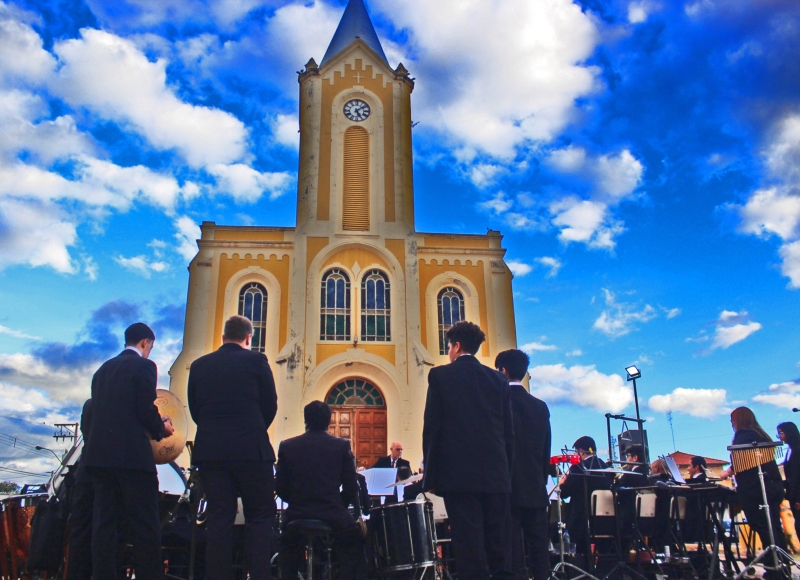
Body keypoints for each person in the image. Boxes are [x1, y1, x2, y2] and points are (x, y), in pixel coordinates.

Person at [188, 315, 278, 580]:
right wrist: (252, 427)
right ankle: (259, 575)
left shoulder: (200, 365)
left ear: (223, 337)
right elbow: (270, 405)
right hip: (252, 451)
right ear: (249, 338)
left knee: (219, 517)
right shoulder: (256, 360)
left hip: (212, 452)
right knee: (260, 515)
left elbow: (195, 410)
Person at [423, 321, 514, 580]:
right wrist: (506, 474)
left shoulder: (440, 376)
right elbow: (509, 433)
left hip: (458, 477)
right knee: (497, 546)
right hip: (496, 476)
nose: (448, 352)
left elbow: (433, 428)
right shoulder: (498, 378)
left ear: (457, 345)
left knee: (468, 545)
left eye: (449, 346)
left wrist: (431, 477)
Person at [82, 322, 174, 580]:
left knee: (104, 526)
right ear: (146, 343)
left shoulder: (103, 370)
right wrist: (161, 428)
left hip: (99, 459)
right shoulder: (145, 366)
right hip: (132, 458)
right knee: (145, 525)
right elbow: (144, 407)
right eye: (150, 348)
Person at [276, 401, 364, 580]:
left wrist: (297, 500)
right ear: (329, 420)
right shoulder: (341, 446)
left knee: (287, 545)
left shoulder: (287, 446)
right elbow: (351, 488)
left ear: (305, 420)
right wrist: (338, 504)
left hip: (297, 513)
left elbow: (281, 488)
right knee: (355, 541)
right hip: (331, 512)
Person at [495, 349, 551, 580]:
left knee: (512, 551)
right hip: (536, 487)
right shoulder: (540, 406)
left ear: (502, 371)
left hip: (508, 488)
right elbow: (546, 449)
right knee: (539, 550)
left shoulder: (498, 403)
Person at [720, 407, 786, 565]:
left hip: (756, 490)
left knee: (764, 527)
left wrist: (727, 473)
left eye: (732, 421)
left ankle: (773, 566)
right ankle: (782, 566)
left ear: (739, 420)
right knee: (774, 528)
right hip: (773, 487)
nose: (732, 424)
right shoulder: (761, 434)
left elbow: (741, 461)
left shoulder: (744, 435)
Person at [559, 436, 610, 556]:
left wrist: (561, 484)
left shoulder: (578, 467)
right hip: (605, 522)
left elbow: (565, 493)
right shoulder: (607, 468)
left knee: (554, 528)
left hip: (581, 522)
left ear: (581, 451)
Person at [66, 398, 93, 580]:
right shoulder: (122, 408)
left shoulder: (91, 405)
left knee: (80, 533)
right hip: (103, 477)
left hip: (85, 472)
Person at [778, 422, 800, 540]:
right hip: (793, 495)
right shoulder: (789, 451)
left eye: (781, 433)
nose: (780, 436)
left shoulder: (798, 450)